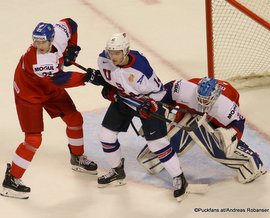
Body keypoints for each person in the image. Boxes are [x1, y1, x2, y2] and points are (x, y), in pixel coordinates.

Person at [1, 18, 98, 199]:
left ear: (52, 37)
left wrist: (72, 48)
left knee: (75, 119)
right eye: (35, 41)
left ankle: (77, 158)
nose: (39, 45)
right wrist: (87, 77)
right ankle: (11, 180)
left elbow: (71, 23)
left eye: (42, 41)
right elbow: (60, 79)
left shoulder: (59, 34)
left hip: (49, 88)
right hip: (29, 94)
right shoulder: (38, 59)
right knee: (33, 139)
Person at [94, 32, 188, 201]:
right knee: (105, 136)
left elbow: (159, 92)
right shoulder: (103, 59)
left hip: (146, 102)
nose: (113, 56)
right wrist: (107, 87)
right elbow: (109, 79)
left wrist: (152, 105)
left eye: (117, 53)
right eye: (111, 52)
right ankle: (117, 171)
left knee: (156, 144)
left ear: (126, 51)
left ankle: (179, 176)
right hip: (123, 100)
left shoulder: (140, 68)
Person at [137, 77, 266, 184]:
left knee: (221, 144)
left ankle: (250, 161)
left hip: (215, 117)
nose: (202, 103)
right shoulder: (185, 89)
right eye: (200, 98)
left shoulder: (224, 105)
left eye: (206, 100)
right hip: (190, 110)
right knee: (177, 128)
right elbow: (168, 91)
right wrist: (157, 114)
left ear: (215, 97)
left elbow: (238, 122)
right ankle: (156, 157)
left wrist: (232, 134)